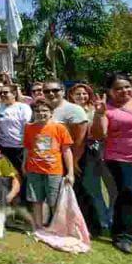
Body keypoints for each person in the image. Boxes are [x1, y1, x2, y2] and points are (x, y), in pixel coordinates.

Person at [92, 73, 132, 254]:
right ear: (110, 91)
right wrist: (99, 114)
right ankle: (123, 237)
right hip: (120, 158)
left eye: (127, 86)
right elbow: (98, 135)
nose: (124, 91)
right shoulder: (108, 109)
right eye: (118, 88)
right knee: (129, 191)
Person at [23, 100, 74, 231]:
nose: (41, 113)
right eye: (38, 111)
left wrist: (70, 172)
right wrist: (24, 164)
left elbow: (66, 151)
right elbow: (27, 149)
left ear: (51, 112)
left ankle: (57, 227)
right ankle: (38, 226)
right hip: (34, 170)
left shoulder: (59, 128)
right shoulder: (29, 128)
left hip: (54, 170)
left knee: (54, 201)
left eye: (45, 110)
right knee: (36, 200)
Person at [69, 83, 112, 237]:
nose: (82, 96)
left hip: (89, 153)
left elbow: (102, 133)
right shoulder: (67, 110)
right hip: (70, 152)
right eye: (78, 94)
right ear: (71, 95)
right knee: (76, 190)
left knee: (93, 189)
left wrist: (99, 114)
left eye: (84, 94)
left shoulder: (94, 110)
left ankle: (103, 222)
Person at [45, 80, 89, 174]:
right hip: (50, 160)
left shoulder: (74, 110)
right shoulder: (43, 110)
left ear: (63, 91)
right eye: (47, 91)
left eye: (55, 90)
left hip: (70, 159)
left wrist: (74, 161)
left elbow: (80, 140)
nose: (51, 93)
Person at [0, 83, 32, 172]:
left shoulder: (23, 107)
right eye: (0, 93)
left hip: (20, 147)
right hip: (4, 147)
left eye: (5, 92)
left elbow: (27, 126)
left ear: (14, 94)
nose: (2, 95)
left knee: (22, 172)